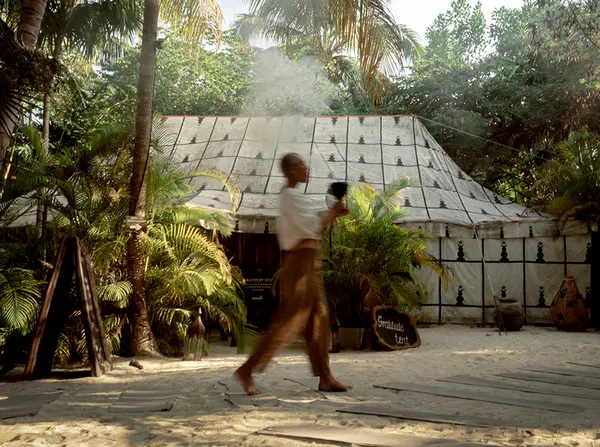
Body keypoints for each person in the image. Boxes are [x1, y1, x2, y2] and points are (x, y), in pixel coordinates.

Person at [235, 153, 350, 395]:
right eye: (303, 166)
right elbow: (310, 229)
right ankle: (247, 369)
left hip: (308, 264)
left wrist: (331, 215)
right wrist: (332, 215)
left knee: (319, 320)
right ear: (292, 169)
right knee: (287, 321)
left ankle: (325, 377)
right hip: (298, 265)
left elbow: (312, 228)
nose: (307, 170)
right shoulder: (289, 197)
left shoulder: (295, 197)